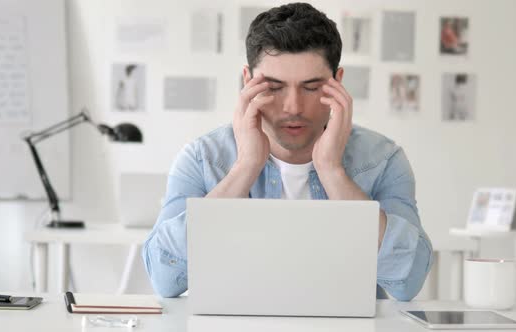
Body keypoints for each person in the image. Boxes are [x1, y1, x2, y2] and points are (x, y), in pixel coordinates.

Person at [142, 2, 432, 301]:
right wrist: (245, 167)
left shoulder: (382, 160)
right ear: (247, 81)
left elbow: (408, 281)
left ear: (338, 82)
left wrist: (333, 171)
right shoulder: (203, 158)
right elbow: (164, 279)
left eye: (311, 87)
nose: (293, 107)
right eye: (274, 87)